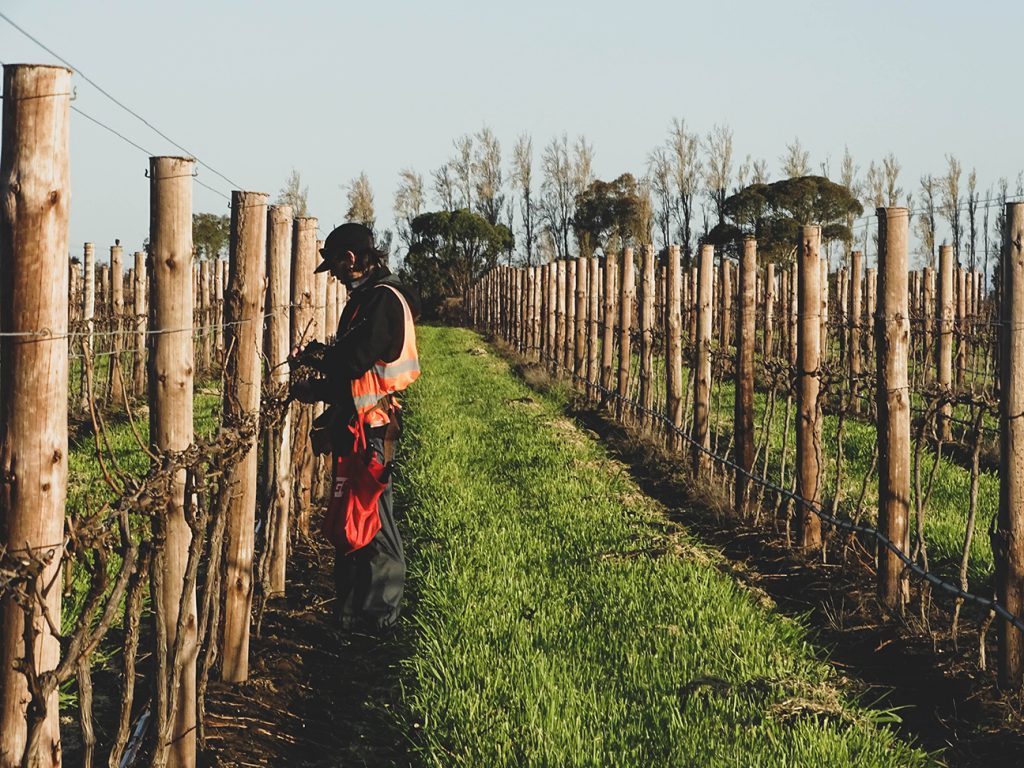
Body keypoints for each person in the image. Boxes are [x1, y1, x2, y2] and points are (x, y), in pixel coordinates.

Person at [289, 222, 420, 632]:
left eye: (337, 268)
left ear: (351, 259)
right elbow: (350, 363)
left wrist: (316, 368)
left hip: (374, 429)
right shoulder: (368, 299)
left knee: (374, 522)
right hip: (359, 425)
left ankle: (380, 620)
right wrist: (318, 372)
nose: (336, 277)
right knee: (352, 519)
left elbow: (353, 362)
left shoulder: (383, 301)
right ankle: (350, 615)